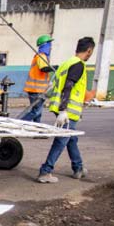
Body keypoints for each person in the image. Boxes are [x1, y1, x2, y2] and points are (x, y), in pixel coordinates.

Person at [37, 36, 96, 183]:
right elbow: (68, 86)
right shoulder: (79, 65)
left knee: (71, 139)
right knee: (62, 140)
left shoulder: (66, 63)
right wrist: (63, 110)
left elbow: (54, 85)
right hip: (68, 111)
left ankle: (78, 168)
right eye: (91, 52)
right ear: (89, 50)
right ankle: (45, 171)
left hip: (63, 109)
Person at [21, 34, 55, 123]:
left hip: (38, 89)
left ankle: (37, 129)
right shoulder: (41, 56)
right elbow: (43, 68)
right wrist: (54, 68)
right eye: (50, 45)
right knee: (36, 111)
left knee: (38, 111)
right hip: (35, 89)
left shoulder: (41, 56)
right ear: (45, 45)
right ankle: (21, 122)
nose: (51, 48)